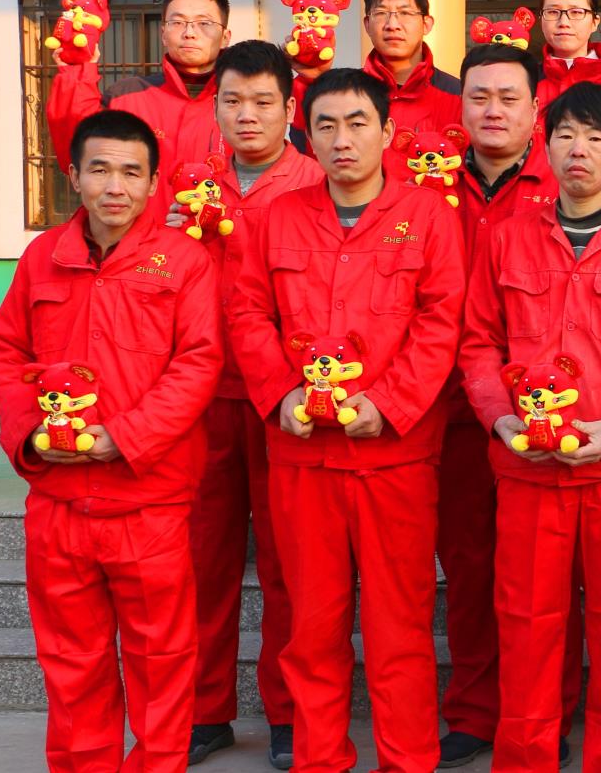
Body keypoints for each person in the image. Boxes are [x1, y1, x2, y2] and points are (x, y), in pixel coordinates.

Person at [227, 68, 467, 773]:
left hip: (394, 459)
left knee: (399, 630)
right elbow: (247, 313)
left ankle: (408, 761)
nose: (342, 139)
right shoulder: (277, 217)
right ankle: (318, 759)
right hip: (302, 457)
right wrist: (280, 394)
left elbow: (442, 320)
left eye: (358, 123)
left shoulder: (428, 216)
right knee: (311, 629)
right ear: (306, 133)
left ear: (388, 131)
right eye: (325, 125)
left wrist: (388, 404)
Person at [460, 80, 601, 771]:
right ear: (546, 145)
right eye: (565, 135)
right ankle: (527, 757)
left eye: (595, 138)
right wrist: (500, 419)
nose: (578, 150)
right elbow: (478, 342)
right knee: (527, 623)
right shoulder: (507, 238)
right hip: (527, 468)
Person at [0, 109, 221, 773]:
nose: (114, 187)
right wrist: (31, 434)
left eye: (130, 172)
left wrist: (125, 436)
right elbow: (7, 352)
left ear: (154, 183)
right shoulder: (43, 257)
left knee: (160, 661)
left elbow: (199, 363)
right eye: (99, 170)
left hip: (148, 502)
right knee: (71, 663)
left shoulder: (185, 262)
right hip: (59, 504)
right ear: (73, 176)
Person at [182, 42, 324, 770]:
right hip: (201, 401)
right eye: (233, 101)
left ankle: (290, 713)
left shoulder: (317, 184)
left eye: (264, 102)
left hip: (287, 402)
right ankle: (203, 710)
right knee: (201, 562)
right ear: (214, 108)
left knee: (288, 565)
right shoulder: (189, 186)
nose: (247, 116)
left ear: (289, 109)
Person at [435, 44, 576, 768]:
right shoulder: (424, 185)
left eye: (508, 97)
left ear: (536, 109)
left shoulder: (567, 182)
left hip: (546, 411)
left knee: (551, 574)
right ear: (459, 105)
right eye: (479, 96)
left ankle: (552, 706)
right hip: (449, 408)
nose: (493, 110)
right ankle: (474, 708)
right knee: (468, 566)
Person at [49, 0, 233, 174]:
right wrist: (76, 71)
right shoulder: (125, 97)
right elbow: (78, 157)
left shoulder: (243, 102)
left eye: (204, 23)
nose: (190, 33)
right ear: (163, 34)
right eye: (177, 22)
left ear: (225, 37)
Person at [358, 0, 464, 167]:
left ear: (426, 24)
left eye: (405, 13)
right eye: (381, 13)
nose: (392, 25)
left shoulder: (459, 95)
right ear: (367, 24)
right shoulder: (348, 94)